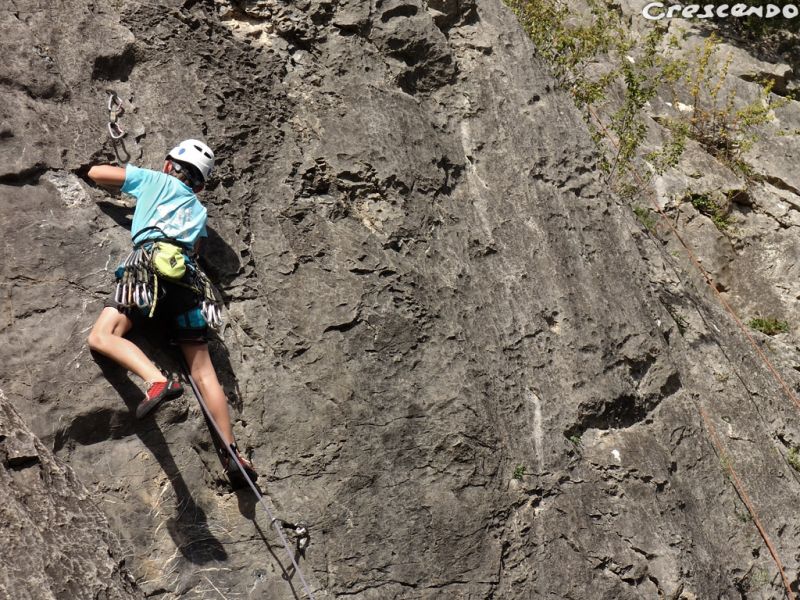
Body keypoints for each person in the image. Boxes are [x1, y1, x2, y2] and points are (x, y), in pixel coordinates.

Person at [86, 139, 257, 483]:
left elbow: (97, 174)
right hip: (187, 283)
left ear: (169, 165)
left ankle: (156, 380)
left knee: (103, 336)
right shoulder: (198, 211)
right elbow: (193, 246)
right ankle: (233, 453)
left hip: (148, 270)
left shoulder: (156, 180)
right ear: (201, 185)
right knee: (204, 371)